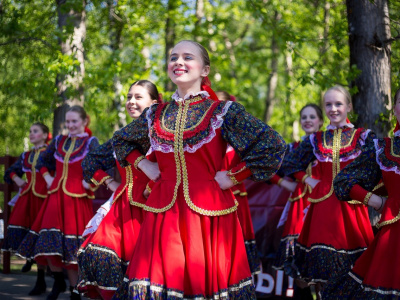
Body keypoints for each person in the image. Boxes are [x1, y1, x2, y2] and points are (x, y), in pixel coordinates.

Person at [111, 40, 286, 299]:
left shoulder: (222, 112)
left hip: (209, 214)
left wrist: (234, 176)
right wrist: (144, 164)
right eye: (173, 57)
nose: (178, 62)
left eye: (187, 57)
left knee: (204, 283)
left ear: (205, 70)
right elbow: (120, 140)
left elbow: (272, 145)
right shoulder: (155, 114)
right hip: (164, 213)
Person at [281, 86, 375, 293]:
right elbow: (289, 164)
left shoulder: (363, 137)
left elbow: (378, 168)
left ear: (349, 106)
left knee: (355, 271)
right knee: (322, 275)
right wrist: (309, 180)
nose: (333, 109)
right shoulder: (316, 139)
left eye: (338, 104)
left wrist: (367, 192)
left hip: (351, 208)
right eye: (328, 104)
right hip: (322, 209)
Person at [77, 80, 161, 300]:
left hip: (154, 209)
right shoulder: (121, 137)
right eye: (128, 97)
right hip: (121, 207)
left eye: (138, 97)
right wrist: (110, 183)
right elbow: (90, 162)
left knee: (144, 269)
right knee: (97, 254)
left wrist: (152, 186)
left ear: (154, 102)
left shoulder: (162, 133)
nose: (131, 102)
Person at [322, 88, 400, 299]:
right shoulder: (384, 148)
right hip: (394, 237)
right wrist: (376, 201)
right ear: (395, 109)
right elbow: (344, 182)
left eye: (338, 104)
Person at [17, 106, 99, 300]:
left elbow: (101, 163)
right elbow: (41, 162)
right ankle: (58, 280)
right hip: (55, 197)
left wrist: (89, 182)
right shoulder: (58, 141)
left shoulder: (90, 142)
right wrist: (47, 179)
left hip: (77, 200)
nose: (70, 125)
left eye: (74, 121)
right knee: (47, 242)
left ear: (84, 121)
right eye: (67, 122)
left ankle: (74, 290)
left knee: (72, 249)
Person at [273, 104, 323, 270]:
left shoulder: (328, 146)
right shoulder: (291, 148)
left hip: (322, 202)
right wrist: (285, 183)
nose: (307, 120)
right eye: (304, 117)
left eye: (312, 117)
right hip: (300, 205)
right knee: (299, 269)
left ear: (321, 122)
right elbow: (266, 168)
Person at [216, 90, 261, 275]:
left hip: (235, 198)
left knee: (234, 247)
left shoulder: (239, 136)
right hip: (207, 196)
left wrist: (233, 175)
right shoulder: (201, 135)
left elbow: (259, 156)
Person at [2, 122, 50, 295]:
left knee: (40, 237)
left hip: (44, 199)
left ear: (45, 135)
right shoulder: (26, 156)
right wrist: (18, 180)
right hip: (27, 199)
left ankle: (40, 280)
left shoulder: (50, 153)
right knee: (19, 230)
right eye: (30, 131)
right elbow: (10, 172)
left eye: (35, 131)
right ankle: (30, 259)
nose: (31, 134)